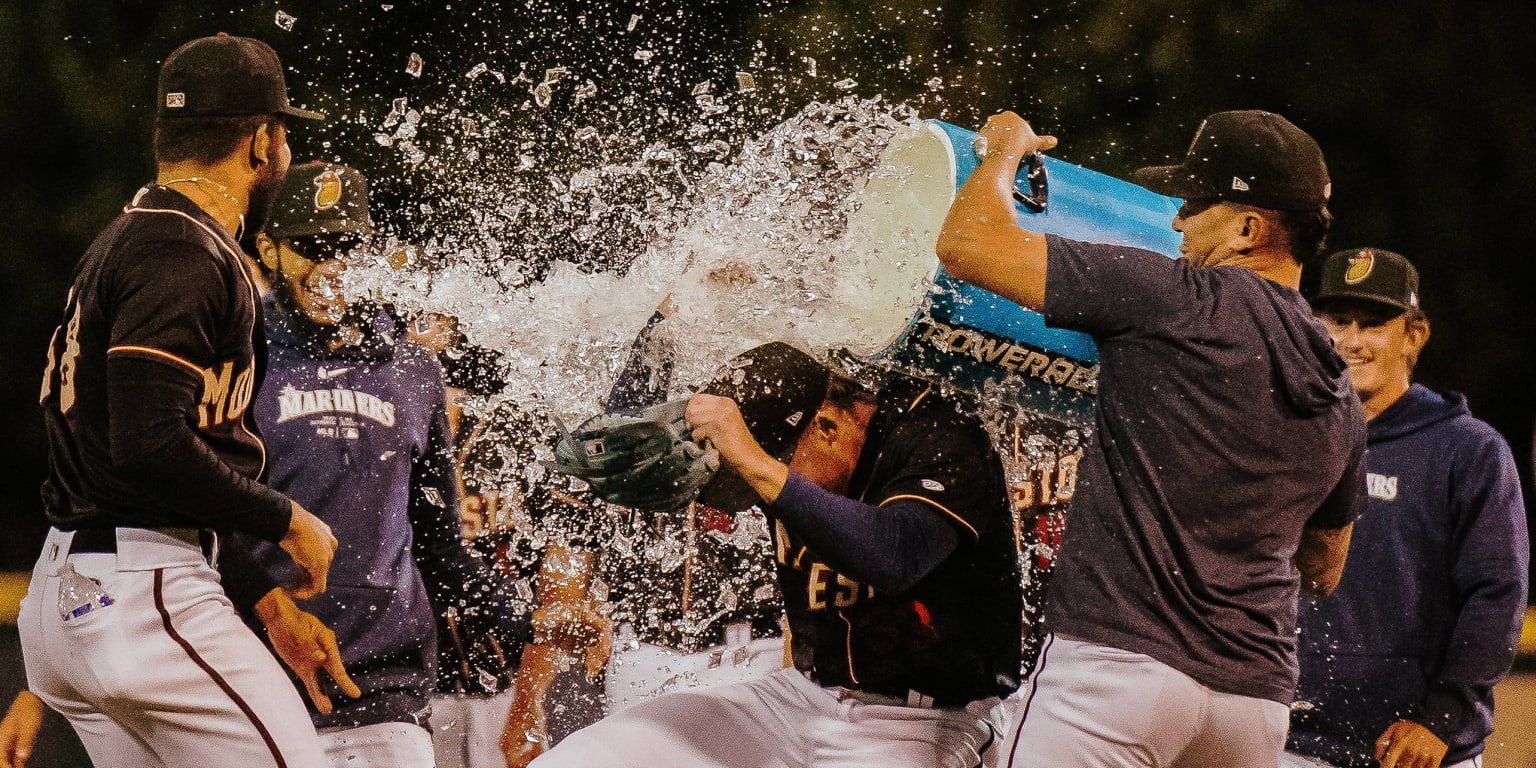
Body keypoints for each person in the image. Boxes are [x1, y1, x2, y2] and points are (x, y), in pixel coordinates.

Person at [936, 110, 1367, 767]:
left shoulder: (1176, 297)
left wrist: (1002, 152)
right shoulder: (1340, 392)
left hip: (1119, 674)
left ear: (1248, 228)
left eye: (1194, 204)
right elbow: (1323, 568)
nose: (1177, 222)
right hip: (1252, 707)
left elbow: (966, 244)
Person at [22, 33, 341, 767]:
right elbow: (148, 443)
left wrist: (264, 599)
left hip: (75, 586)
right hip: (143, 592)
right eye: (283, 132)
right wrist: (286, 519)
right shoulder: (180, 249)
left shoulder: (128, 237)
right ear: (260, 142)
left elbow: (135, 449)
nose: (286, 150)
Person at [241, 160, 599, 767]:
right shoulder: (240, 355)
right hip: (259, 679)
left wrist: (529, 621)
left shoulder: (412, 370)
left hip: (386, 687)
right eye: (312, 249)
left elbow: (439, 546)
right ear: (269, 250)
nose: (332, 268)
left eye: (347, 249)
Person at [533, 341, 1022, 768]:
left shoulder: (940, 431)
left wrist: (755, 460)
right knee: (583, 760)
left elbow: (897, 555)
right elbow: (621, 421)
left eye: (772, 462)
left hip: (925, 720)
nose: (755, 491)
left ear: (826, 427)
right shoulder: (799, 444)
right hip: (799, 699)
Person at [1283, 248, 1529, 768]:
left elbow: (1496, 593)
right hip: (1287, 742)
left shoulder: (1468, 449)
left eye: (1374, 324)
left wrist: (1442, 717)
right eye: (1337, 320)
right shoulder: (1286, 435)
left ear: (1414, 335)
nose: (1352, 340)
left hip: (1416, 749)